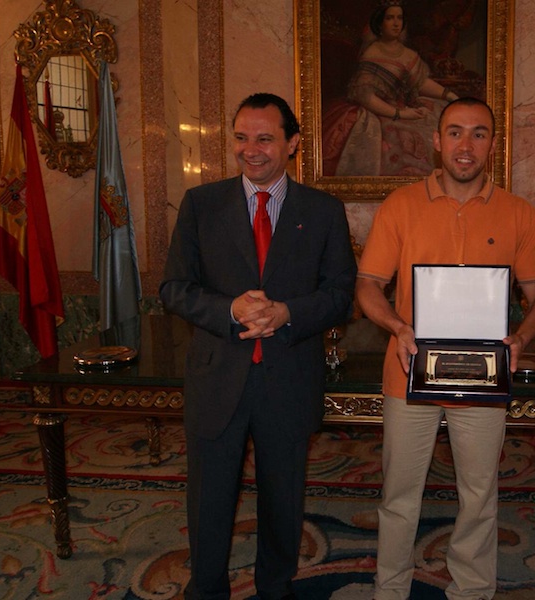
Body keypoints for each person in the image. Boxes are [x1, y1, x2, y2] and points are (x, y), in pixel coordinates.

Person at [160, 93, 357, 600]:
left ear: (292, 144)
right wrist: (229, 309)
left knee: (282, 501)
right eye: (242, 138)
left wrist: (288, 312)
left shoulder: (323, 211)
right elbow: (174, 289)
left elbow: (340, 295)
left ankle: (275, 587)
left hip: (288, 377)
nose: (251, 150)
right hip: (217, 378)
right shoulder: (201, 205)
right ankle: (207, 590)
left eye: (265, 139)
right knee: (208, 500)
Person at [356, 97, 535, 600]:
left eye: (479, 133)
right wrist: (397, 326)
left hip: (484, 378)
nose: (466, 145)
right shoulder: (400, 205)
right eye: (455, 132)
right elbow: (367, 285)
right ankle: (390, 590)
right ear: (437, 140)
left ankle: (471, 590)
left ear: (493, 143)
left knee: (479, 496)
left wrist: (521, 338)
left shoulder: (519, 213)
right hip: (409, 374)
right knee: (399, 495)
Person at [322, 0, 460, 177]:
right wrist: (401, 114)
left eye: (399, 18)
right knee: (407, 138)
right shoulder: (372, 53)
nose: (396, 23)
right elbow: (366, 97)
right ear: (380, 24)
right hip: (380, 112)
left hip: (406, 107)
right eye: (390, 18)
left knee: (440, 125)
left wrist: (449, 95)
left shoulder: (408, 54)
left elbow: (419, 83)